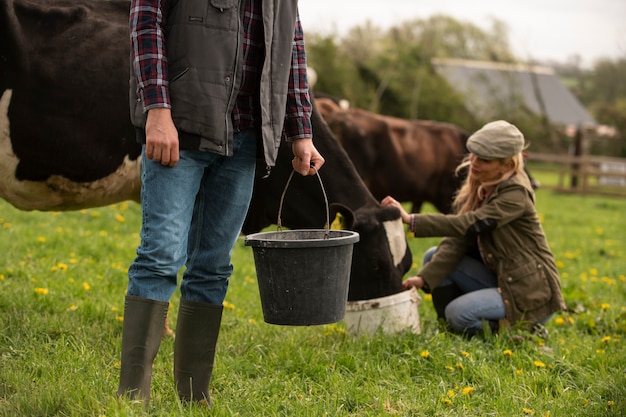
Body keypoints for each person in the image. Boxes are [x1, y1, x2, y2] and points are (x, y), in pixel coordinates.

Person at [117, 0, 325, 408]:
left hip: (247, 138)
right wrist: (157, 111)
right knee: (159, 256)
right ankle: (131, 398)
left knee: (214, 267)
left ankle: (194, 397)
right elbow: (145, 23)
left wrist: (301, 129)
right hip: (181, 125)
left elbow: (292, 48)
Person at [382, 120, 565, 337]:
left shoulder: (515, 194)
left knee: (459, 314)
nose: (474, 163)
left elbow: (469, 223)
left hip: (529, 293)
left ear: (506, 166)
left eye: (485, 159)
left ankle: (526, 331)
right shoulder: (482, 185)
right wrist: (424, 278)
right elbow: (459, 238)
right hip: (504, 279)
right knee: (433, 256)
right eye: (474, 155)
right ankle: (452, 330)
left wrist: (410, 219)